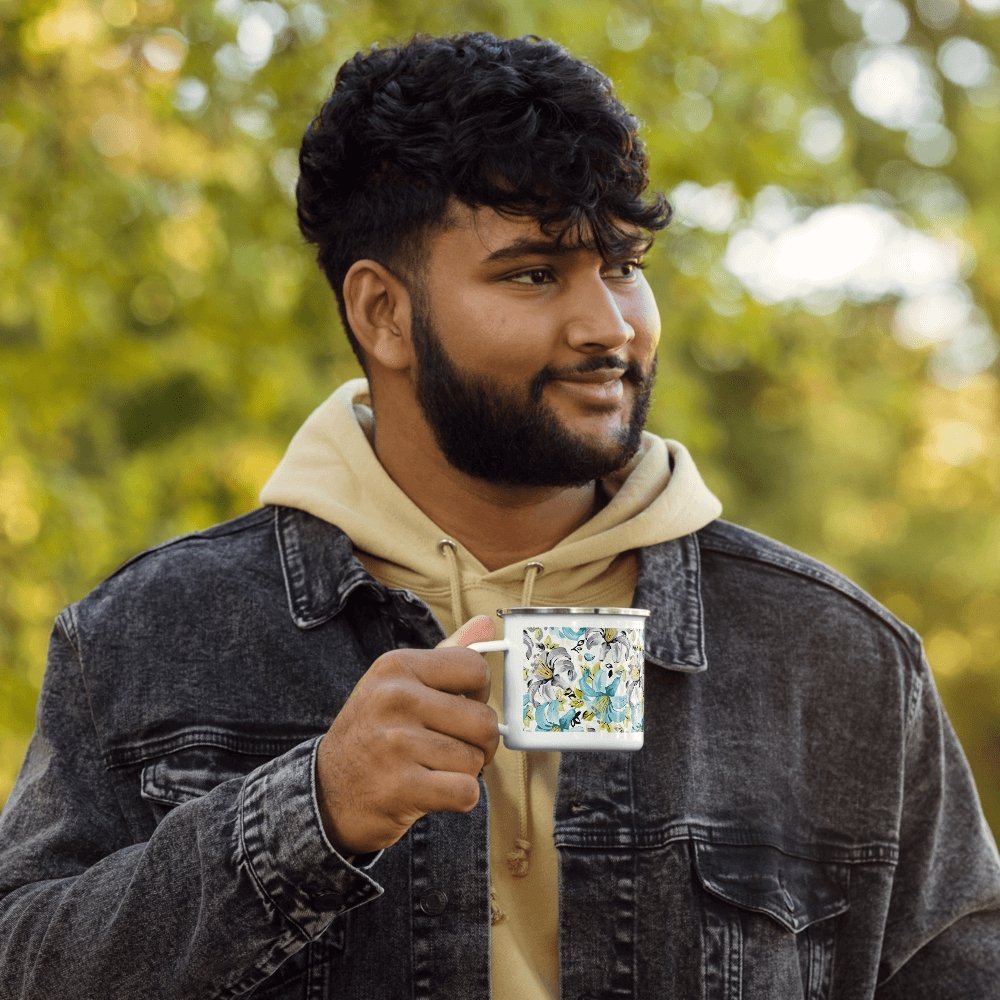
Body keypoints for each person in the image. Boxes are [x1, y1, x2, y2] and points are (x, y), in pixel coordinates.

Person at [1, 31, 998, 1000]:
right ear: (381, 313)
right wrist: (306, 814)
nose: (608, 325)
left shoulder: (837, 658)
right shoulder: (146, 636)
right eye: (534, 271)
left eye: (622, 263)